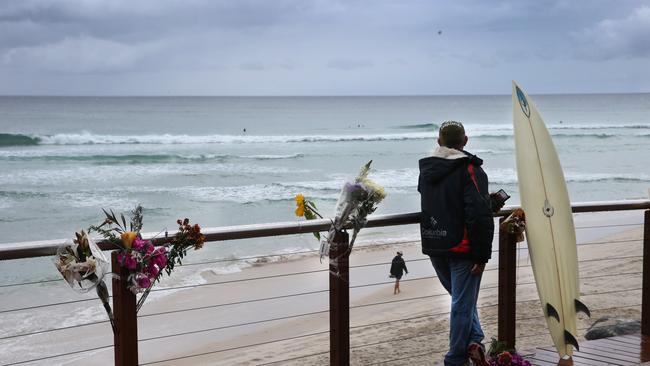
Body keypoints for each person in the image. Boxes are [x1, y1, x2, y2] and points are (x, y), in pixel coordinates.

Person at [418, 121, 505, 366]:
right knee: (461, 305)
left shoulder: (427, 169)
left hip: (435, 242)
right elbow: (478, 215)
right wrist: (482, 256)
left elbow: (437, 199)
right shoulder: (470, 169)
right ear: (465, 141)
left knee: (461, 301)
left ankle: (474, 342)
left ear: (438, 142)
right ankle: (455, 358)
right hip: (462, 247)